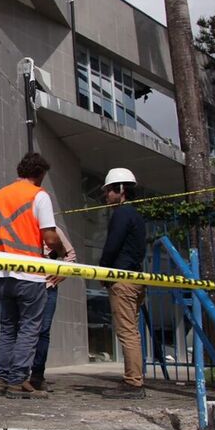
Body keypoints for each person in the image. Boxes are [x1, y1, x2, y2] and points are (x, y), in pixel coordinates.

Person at [0, 152, 67, 399]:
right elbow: (50, 237)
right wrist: (62, 252)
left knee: (7, 328)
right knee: (29, 328)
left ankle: (1, 379)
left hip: (2, 273)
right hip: (30, 273)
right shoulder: (39, 196)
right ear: (40, 174)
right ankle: (17, 381)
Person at [99, 167, 148, 399]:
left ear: (120, 190)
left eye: (109, 191)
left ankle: (133, 383)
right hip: (136, 279)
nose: (106, 196)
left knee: (127, 332)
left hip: (123, 279)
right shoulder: (136, 215)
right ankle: (134, 378)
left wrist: (103, 272)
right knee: (133, 332)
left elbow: (112, 246)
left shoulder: (121, 214)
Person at [29, 225, 77, 392]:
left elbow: (71, 255)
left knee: (43, 331)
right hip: (24, 286)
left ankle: (37, 375)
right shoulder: (21, 227)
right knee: (19, 329)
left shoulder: (54, 230)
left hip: (48, 287)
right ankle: (16, 375)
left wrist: (63, 273)